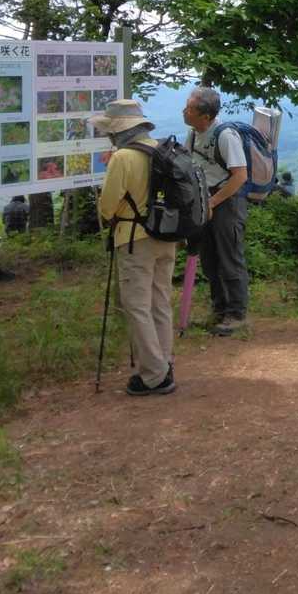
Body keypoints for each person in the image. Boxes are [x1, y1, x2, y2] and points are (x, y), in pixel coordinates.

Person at [88, 99, 177, 397]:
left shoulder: (123, 157)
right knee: (160, 302)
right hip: (166, 234)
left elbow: (107, 206)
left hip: (134, 239)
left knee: (137, 306)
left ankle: (154, 375)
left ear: (118, 130)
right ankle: (163, 362)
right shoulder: (161, 149)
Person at [183, 87, 249, 336]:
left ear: (206, 116)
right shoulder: (193, 134)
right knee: (209, 259)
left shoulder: (225, 135)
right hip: (205, 200)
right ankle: (219, 310)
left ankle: (236, 314)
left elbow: (240, 176)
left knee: (229, 257)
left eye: (190, 109)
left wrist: (212, 202)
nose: (184, 112)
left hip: (227, 202)